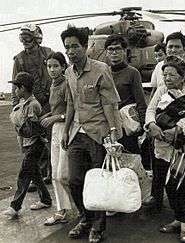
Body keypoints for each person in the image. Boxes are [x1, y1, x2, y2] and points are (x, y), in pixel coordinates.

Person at [60, 26, 122, 243]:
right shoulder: (68, 72)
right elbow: (70, 103)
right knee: (74, 180)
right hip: (77, 132)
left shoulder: (101, 69)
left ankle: (98, 226)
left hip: (98, 133)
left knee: (98, 182)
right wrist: (66, 130)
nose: (70, 51)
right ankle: (85, 218)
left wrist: (113, 133)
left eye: (75, 46)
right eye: (67, 47)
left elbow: (110, 104)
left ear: (85, 46)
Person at [145, 56, 185, 242]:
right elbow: (150, 110)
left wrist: (178, 128)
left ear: (182, 76)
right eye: (165, 74)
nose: (167, 78)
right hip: (163, 145)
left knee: (184, 185)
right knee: (169, 184)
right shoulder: (161, 90)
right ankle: (179, 218)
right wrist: (151, 125)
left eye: (172, 74)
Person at [3, 72, 52, 219]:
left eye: (16, 88)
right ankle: (46, 199)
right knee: (34, 174)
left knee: (24, 174)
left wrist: (19, 127)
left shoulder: (32, 105)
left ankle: (15, 206)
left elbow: (32, 130)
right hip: (30, 144)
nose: (15, 91)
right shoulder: (24, 104)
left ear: (23, 88)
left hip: (36, 144)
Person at [12, 24, 53, 189]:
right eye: (22, 39)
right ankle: (40, 177)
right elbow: (15, 85)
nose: (25, 42)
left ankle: (50, 174)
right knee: (33, 140)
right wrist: (16, 108)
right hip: (30, 104)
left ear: (36, 38)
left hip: (50, 102)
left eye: (28, 38)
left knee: (51, 138)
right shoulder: (19, 59)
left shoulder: (48, 53)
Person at [41, 52, 73, 226]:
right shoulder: (53, 85)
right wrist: (48, 114)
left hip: (66, 129)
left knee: (64, 174)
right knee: (54, 174)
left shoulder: (66, 84)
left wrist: (55, 118)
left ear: (63, 67)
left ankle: (81, 207)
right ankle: (61, 211)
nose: (52, 70)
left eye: (56, 66)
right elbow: (56, 109)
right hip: (55, 131)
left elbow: (71, 110)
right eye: (49, 66)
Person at [104, 34, 147, 153]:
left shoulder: (133, 73)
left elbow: (141, 102)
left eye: (118, 49)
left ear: (124, 51)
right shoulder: (104, 72)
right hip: (107, 124)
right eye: (111, 49)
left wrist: (143, 127)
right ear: (106, 52)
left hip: (127, 126)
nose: (114, 52)